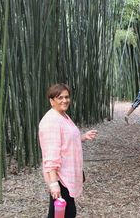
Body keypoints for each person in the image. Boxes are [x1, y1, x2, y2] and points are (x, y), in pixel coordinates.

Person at [39, 83, 98, 218]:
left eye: (67, 97)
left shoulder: (62, 116)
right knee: (63, 213)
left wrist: (82, 137)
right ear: (51, 101)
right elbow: (51, 155)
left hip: (66, 174)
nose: (65, 100)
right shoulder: (51, 121)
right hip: (60, 177)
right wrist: (54, 184)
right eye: (60, 97)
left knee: (64, 212)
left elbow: (65, 140)